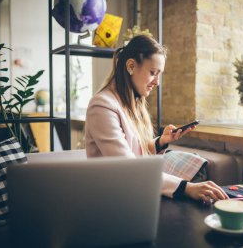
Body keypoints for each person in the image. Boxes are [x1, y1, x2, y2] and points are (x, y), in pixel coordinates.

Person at [85, 35, 228, 203]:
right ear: (131, 66)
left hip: (135, 192)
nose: (157, 82)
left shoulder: (132, 104)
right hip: (112, 200)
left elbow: (136, 153)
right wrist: (186, 187)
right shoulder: (102, 106)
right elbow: (128, 168)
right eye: (153, 73)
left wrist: (161, 142)